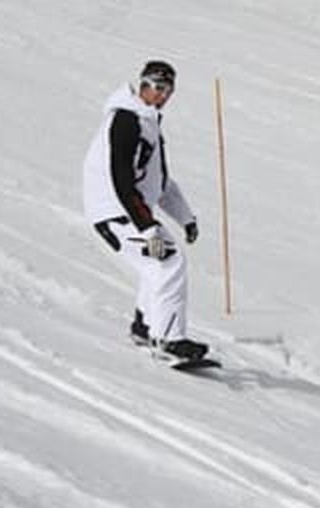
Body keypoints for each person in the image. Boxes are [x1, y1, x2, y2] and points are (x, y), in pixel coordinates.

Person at [83, 60, 208, 363]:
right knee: (169, 262)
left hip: (129, 212)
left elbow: (159, 182)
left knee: (157, 266)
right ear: (143, 85)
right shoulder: (126, 120)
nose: (164, 95)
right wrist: (146, 225)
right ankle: (167, 340)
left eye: (169, 90)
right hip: (114, 212)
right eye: (158, 87)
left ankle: (145, 327)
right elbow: (120, 176)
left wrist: (186, 218)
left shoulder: (148, 123)